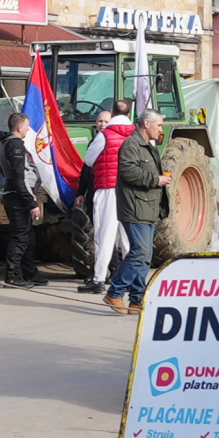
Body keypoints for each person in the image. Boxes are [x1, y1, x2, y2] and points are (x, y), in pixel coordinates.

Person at [106, 111, 170, 314]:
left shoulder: (149, 147)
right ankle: (115, 292)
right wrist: (156, 180)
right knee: (139, 252)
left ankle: (137, 299)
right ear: (147, 123)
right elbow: (128, 171)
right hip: (135, 207)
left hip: (148, 207)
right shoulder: (132, 145)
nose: (161, 130)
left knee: (145, 256)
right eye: (158, 125)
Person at [78, 105, 137, 295]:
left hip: (108, 188)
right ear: (129, 114)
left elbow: (88, 160)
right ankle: (130, 279)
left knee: (104, 235)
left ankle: (98, 279)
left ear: (112, 115)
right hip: (131, 190)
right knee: (128, 237)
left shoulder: (104, 136)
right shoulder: (137, 135)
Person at [0, 112, 46, 288]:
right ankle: (12, 276)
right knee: (20, 237)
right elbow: (19, 177)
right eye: (27, 126)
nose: (29, 129)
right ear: (19, 128)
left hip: (16, 195)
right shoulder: (15, 144)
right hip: (18, 197)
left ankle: (29, 273)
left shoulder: (9, 143)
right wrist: (31, 202)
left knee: (28, 236)